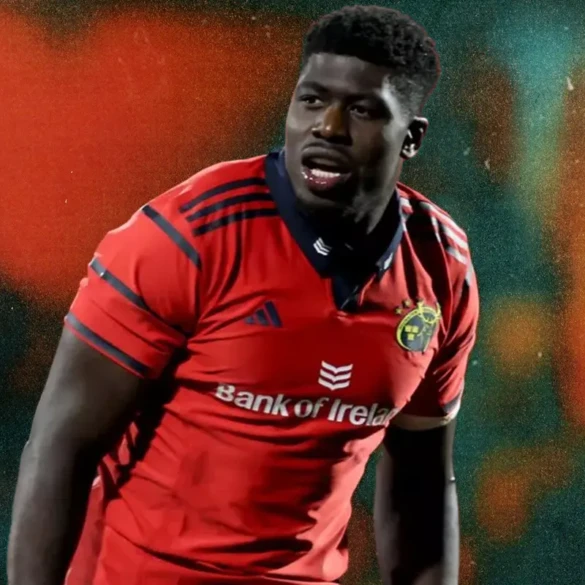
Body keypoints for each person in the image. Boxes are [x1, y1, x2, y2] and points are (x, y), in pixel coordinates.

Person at [8, 5, 479, 585]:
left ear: (411, 138)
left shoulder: (441, 268)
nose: (328, 127)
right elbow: (61, 447)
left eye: (361, 110)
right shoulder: (187, 238)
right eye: (312, 100)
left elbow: (421, 484)